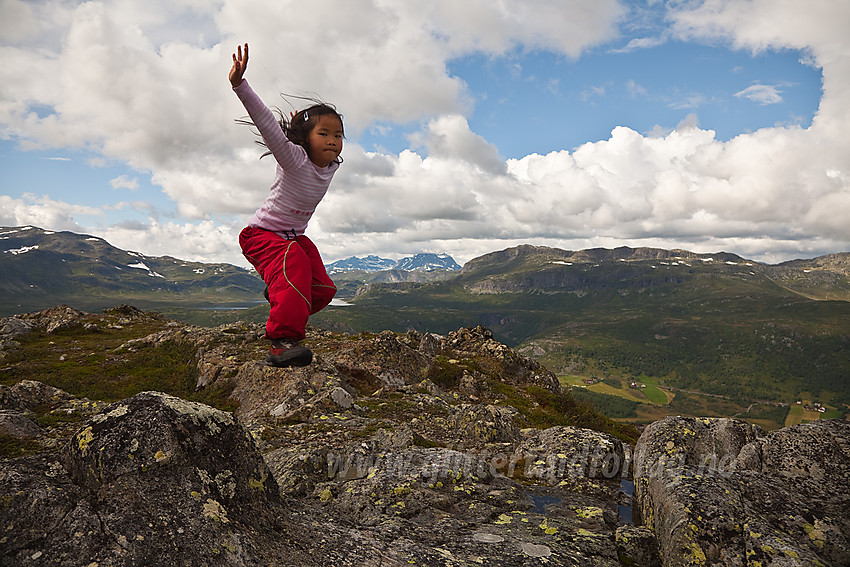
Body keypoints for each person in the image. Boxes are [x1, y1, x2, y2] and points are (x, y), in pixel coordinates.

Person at [229, 43, 343, 367]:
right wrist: (240, 84)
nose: (334, 140)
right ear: (306, 139)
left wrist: (303, 128)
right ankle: (281, 342)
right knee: (293, 261)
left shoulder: (331, 166)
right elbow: (267, 124)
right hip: (261, 235)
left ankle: (282, 295)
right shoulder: (294, 159)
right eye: (324, 133)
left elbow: (316, 139)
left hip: (291, 238)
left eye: (338, 134)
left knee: (321, 287)